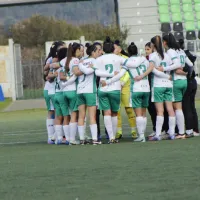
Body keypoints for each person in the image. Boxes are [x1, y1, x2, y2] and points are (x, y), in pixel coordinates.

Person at [104, 42, 149, 142]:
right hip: (146, 88)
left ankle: (141, 135)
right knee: (143, 113)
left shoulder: (127, 61)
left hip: (136, 88)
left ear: (128, 52)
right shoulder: (144, 59)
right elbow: (151, 69)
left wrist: (108, 81)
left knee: (138, 114)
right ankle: (143, 135)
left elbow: (120, 75)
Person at [97, 36, 127, 143]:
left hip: (103, 88)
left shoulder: (99, 59)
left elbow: (96, 72)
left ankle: (111, 137)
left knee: (106, 113)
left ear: (103, 49)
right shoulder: (118, 58)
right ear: (113, 49)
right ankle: (113, 136)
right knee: (114, 113)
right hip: (115, 88)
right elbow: (129, 63)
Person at [145, 35, 176, 141]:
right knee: (170, 109)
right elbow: (174, 66)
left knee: (160, 111)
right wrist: (167, 75)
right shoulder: (167, 55)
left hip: (158, 85)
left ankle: (158, 134)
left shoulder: (153, 56)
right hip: (168, 84)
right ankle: (172, 133)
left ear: (153, 45)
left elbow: (152, 70)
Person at [161, 33, 187, 139]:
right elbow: (188, 64)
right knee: (178, 107)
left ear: (165, 42)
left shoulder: (170, 51)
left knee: (177, 108)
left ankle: (181, 132)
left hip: (176, 81)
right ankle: (180, 131)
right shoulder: (179, 50)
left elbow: (177, 65)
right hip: (183, 80)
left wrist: (164, 68)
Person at [76, 43, 102, 145]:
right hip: (90, 91)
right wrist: (93, 68)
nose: (99, 53)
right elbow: (89, 72)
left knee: (81, 116)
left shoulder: (82, 61)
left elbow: (79, 71)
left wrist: (81, 65)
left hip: (79, 91)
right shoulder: (95, 61)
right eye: (97, 51)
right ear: (93, 52)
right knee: (92, 116)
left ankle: (82, 139)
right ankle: (95, 139)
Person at [113, 40, 137, 139]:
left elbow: (127, 72)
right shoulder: (110, 59)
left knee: (129, 109)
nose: (113, 50)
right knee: (117, 110)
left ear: (120, 49)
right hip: (115, 87)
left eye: (115, 48)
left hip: (125, 87)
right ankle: (118, 132)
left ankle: (134, 131)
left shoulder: (126, 59)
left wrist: (122, 82)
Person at [60, 43, 82, 145]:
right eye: (80, 50)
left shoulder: (63, 60)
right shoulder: (75, 60)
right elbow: (76, 73)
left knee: (66, 116)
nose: (81, 52)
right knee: (74, 115)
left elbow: (60, 75)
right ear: (76, 50)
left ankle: (68, 138)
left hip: (64, 91)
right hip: (73, 90)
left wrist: (64, 83)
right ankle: (72, 139)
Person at [43, 41, 65, 144]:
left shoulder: (51, 60)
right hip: (52, 90)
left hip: (50, 90)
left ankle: (52, 136)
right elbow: (47, 76)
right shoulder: (54, 60)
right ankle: (55, 136)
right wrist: (55, 73)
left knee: (52, 113)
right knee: (57, 113)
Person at [179, 39, 199, 137]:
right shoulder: (188, 54)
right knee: (191, 107)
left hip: (187, 81)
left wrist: (188, 75)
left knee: (186, 107)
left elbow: (187, 68)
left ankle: (189, 129)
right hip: (193, 81)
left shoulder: (181, 55)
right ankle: (195, 129)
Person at [48, 47, 68, 145]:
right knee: (65, 116)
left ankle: (58, 138)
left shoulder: (55, 66)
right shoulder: (63, 67)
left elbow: (49, 76)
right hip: (61, 93)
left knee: (58, 117)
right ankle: (68, 138)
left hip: (55, 93)